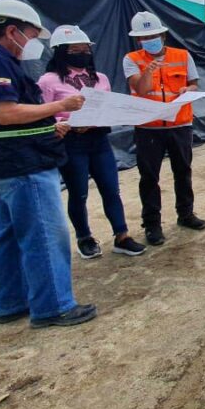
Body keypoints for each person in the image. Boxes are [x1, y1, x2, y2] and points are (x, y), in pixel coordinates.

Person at [0, 0, 96, 329]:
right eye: (33, 35)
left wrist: (48, 126)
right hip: (21, 164)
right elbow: (4, 113)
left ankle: (11, 301)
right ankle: (53, 306)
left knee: (5, 234)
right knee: (44, 236)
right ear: (12, 31)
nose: (34, 44)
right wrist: (58, 107)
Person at [39, 25, 146, 259]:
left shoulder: (100, 79)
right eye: (75, 49)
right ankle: (84, 237)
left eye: (85, 48)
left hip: (99, 140)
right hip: (71, 143)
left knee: (111, 188)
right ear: (61, 52)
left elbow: (106, 106)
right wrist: (64, 123)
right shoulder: (49, 81)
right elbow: (43, 113)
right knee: (78, 193)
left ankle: (122, 235)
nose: (82, 53)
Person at [123, 11, 205, 246]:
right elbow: (140, 89)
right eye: (144, 37)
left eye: (153, 35)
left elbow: (193, 83)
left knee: (183, 171)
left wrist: (188, 90)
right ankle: (152, 225)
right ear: (138, 40)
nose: (149, 39)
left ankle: (186, 214)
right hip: (148, 128)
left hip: (180, 123)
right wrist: (149, 70)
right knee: (149, 177)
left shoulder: (182, 55)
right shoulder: (131, 59)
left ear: (162, 35)